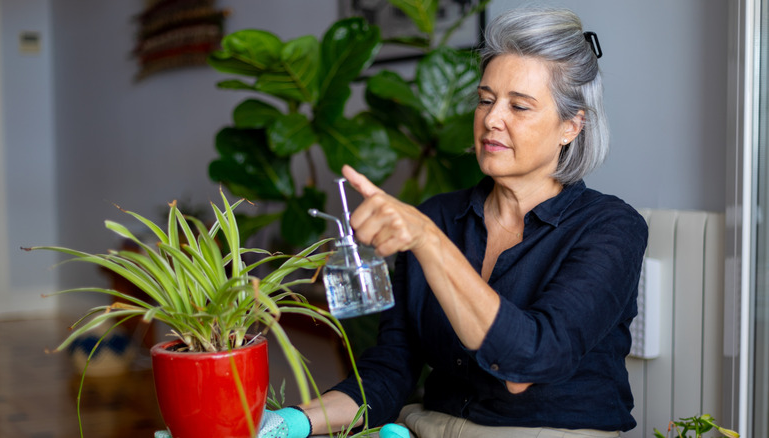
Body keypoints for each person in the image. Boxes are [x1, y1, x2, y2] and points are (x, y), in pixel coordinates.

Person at [260, 7, 648, 438]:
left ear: (571, 127)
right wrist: (290, 421)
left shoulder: (610, 227)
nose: (491, 119)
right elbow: (390, 370)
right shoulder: (440, 215)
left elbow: (528, 363)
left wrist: (429, 242)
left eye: (519, 106)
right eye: (486, 99)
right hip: (425, 425)